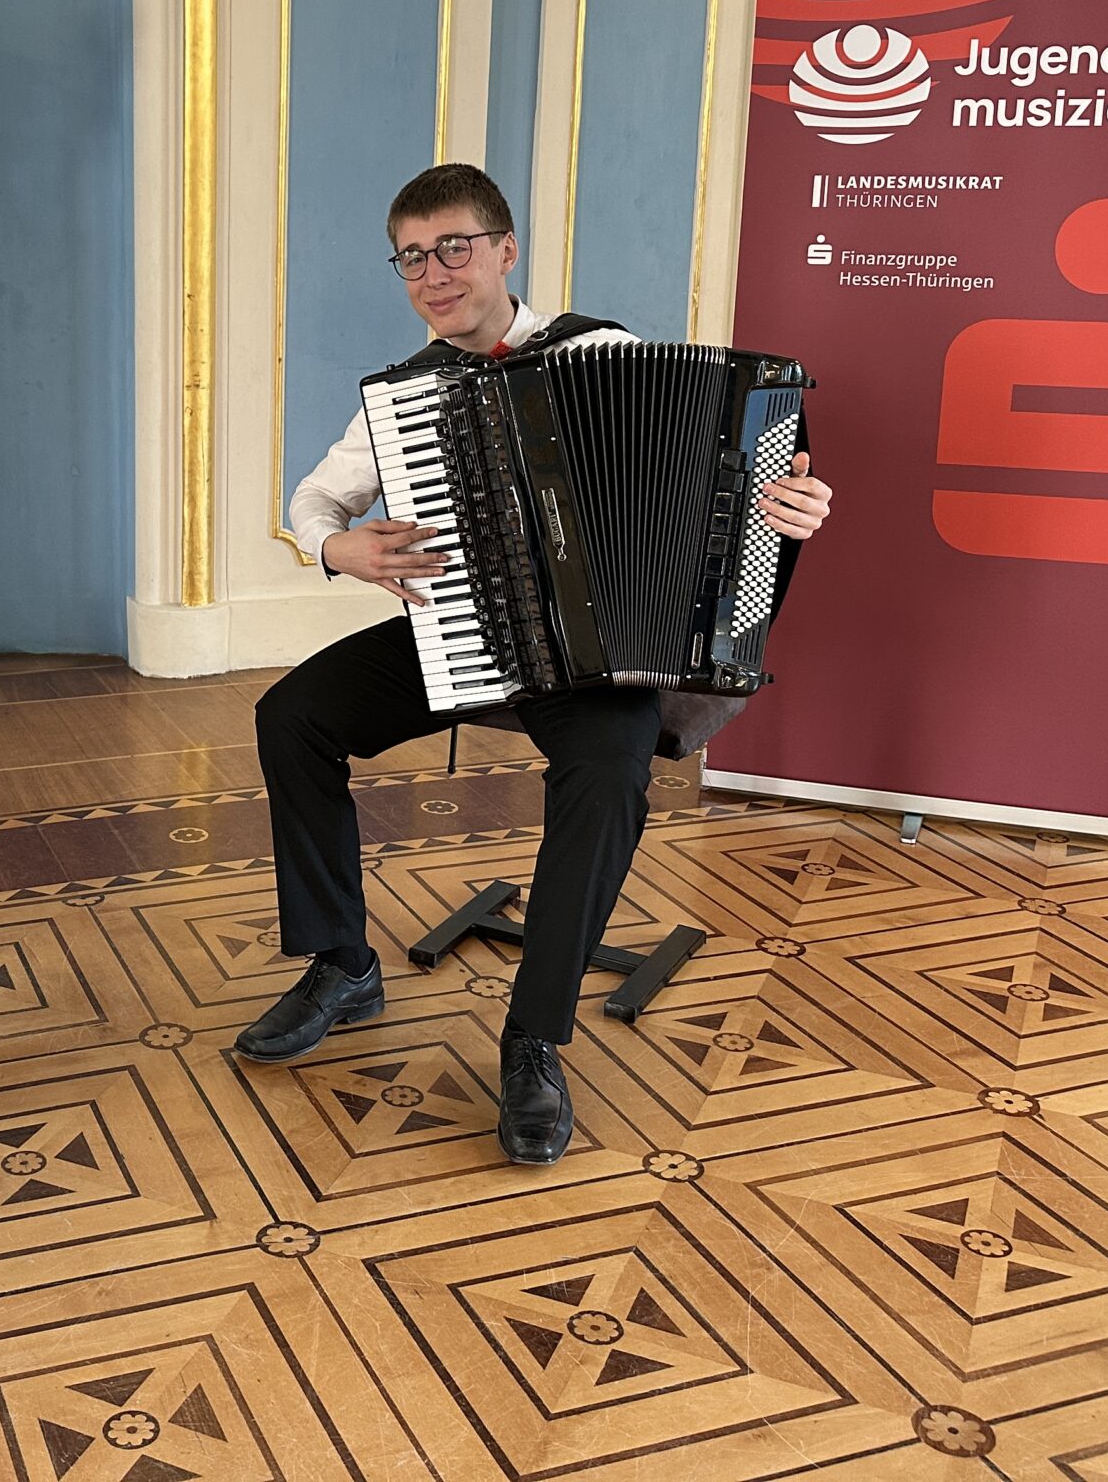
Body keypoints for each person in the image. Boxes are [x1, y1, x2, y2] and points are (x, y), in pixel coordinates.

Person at [238, 163, 833, 1164]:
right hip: (469, 631)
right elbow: (314, 503)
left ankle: (532, 1041)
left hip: (601, 659)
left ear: (505, 251)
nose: (432, 273)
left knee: (608, 774)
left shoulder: (605, 353)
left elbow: (725, 500)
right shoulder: (406, 393)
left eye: (453, 248)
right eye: (412, 257)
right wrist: (336, 549)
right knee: (291, 715)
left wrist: (790, 519)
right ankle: (342, 966)